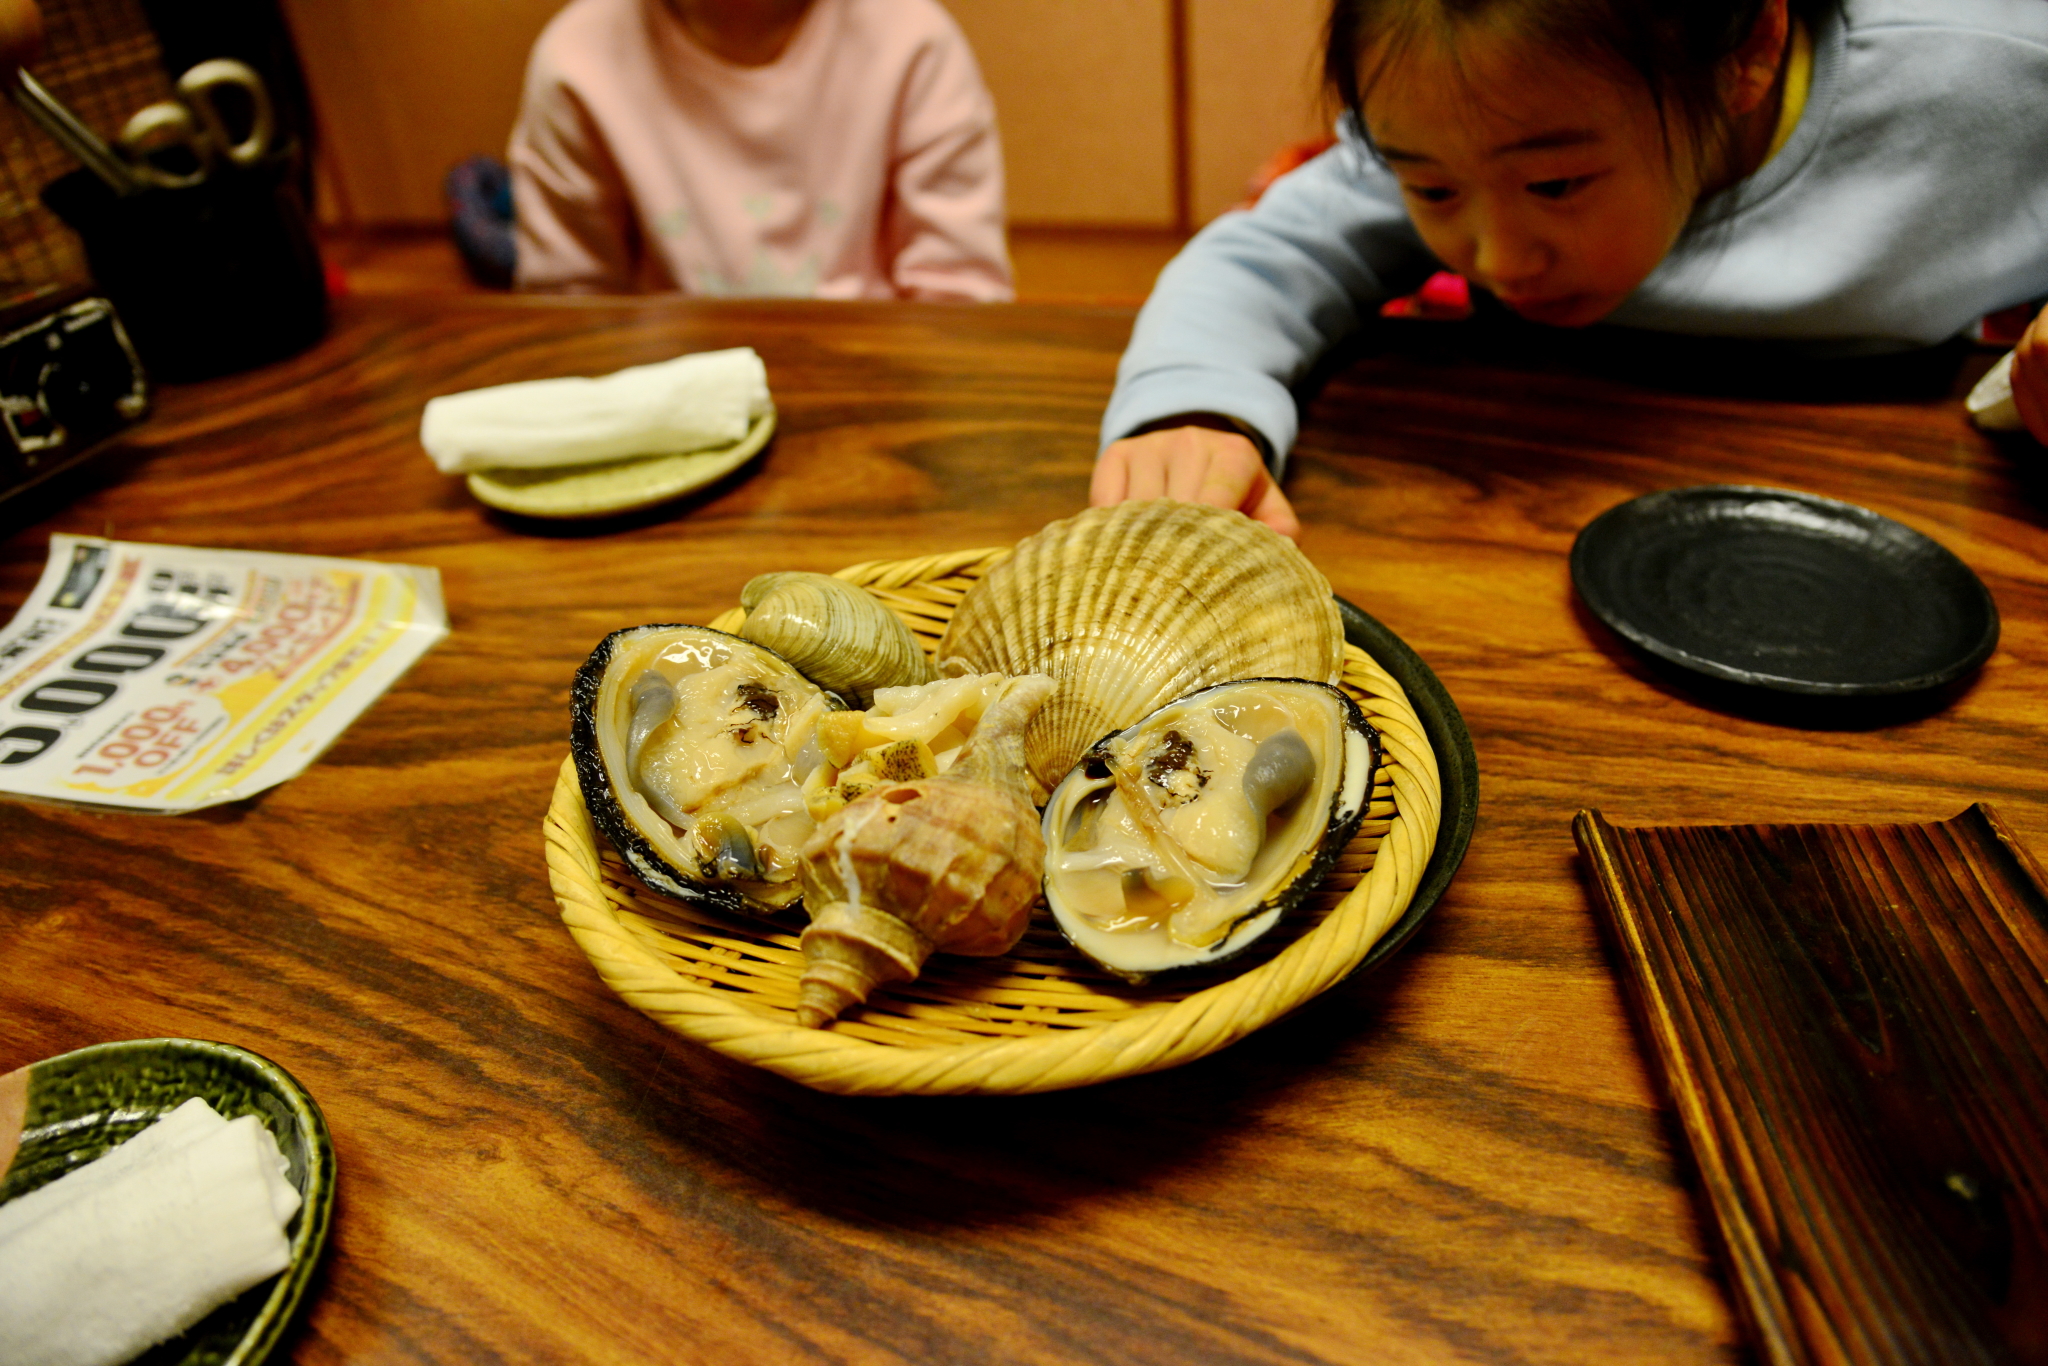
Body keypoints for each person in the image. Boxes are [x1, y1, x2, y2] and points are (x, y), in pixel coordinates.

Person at [1094, 0, 2048, 538]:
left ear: (1747, 53)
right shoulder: (1463, 106)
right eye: (1429, 191)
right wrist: (1197, 410)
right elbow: (1270, 251)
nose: (1499, 259)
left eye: (1555, 184)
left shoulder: (1987, 76)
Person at [509, 0, 1012, 300]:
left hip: (877, 391)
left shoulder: (916, 44)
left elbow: (962, 308)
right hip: (664, 410)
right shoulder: (577, 59)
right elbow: (568, 309)